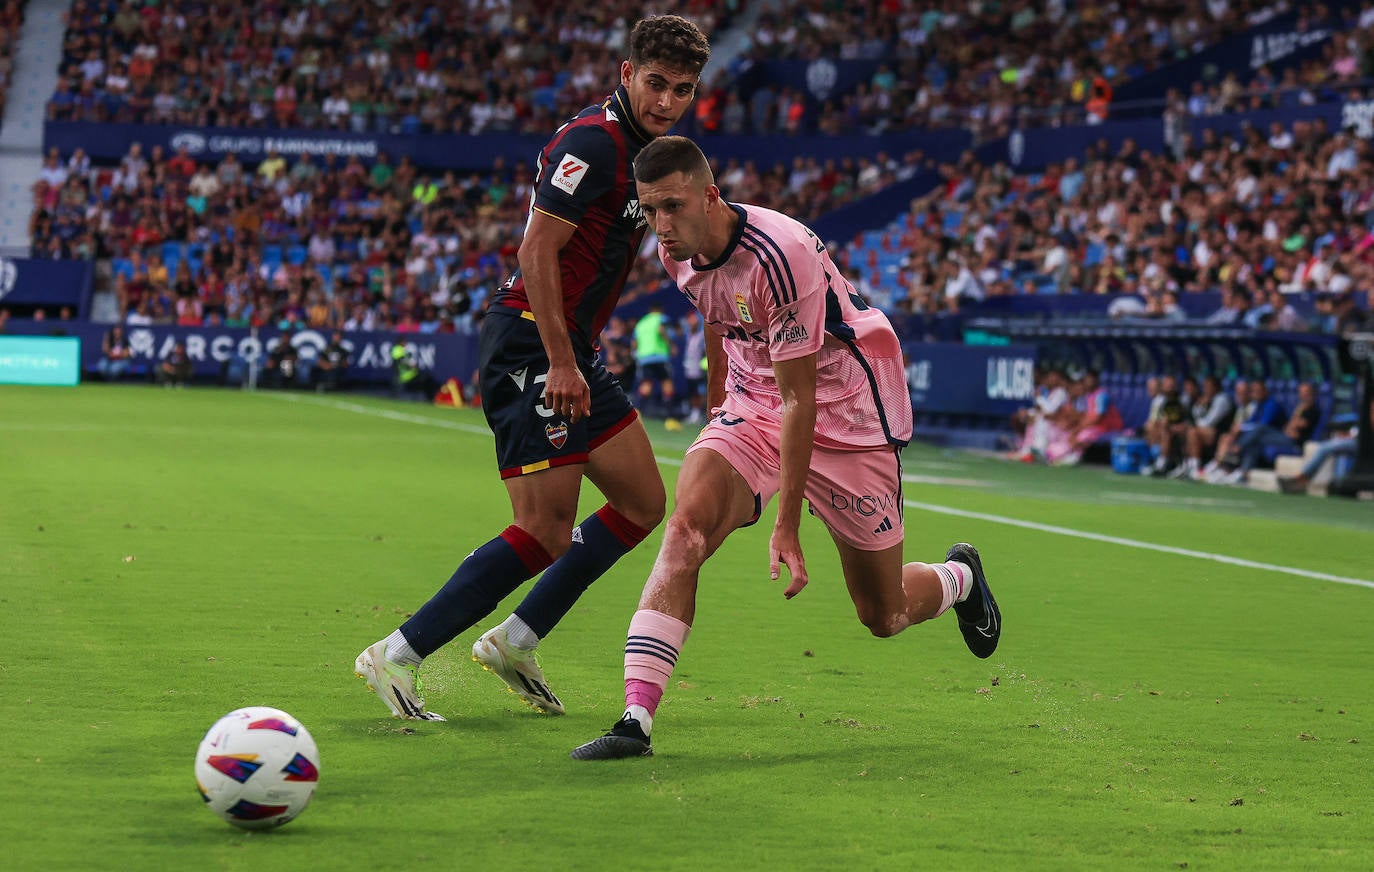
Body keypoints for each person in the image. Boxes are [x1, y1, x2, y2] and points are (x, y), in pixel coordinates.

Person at [571, 136, 1001, 760]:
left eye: (672, 208)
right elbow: (718, 317)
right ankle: (635, 718)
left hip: (845, 412)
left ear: (709, 197)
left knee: (882, 615)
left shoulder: (784, 253)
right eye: (650, 211)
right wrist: (721, 408)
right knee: (686, 528)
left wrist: (786, 523)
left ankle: (959, 578)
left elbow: (801, 399)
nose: (661, 228)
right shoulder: (677, 253)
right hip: (755, 403)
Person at [355, 16, 712, 721]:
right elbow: (535, 252)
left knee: (643, 503)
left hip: (572, 349)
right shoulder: (593, 143)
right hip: (532, 344)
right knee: (546, 529)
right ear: (625, 74)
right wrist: (558, 360)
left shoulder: (654, 156)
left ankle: (514, 641)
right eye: (656, 84)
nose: (666, 100)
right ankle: (396, 654)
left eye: (683, 89)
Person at [633, 300, 677, 417]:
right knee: (666, 382)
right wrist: (671, 345)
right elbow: (661, 330)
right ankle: (669, 415)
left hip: (644, 358)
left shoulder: (641, 323)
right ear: (659, 310)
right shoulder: (660, 318)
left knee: (646, 386)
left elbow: (635, 343)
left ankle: (636, 413)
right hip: (659, 356)